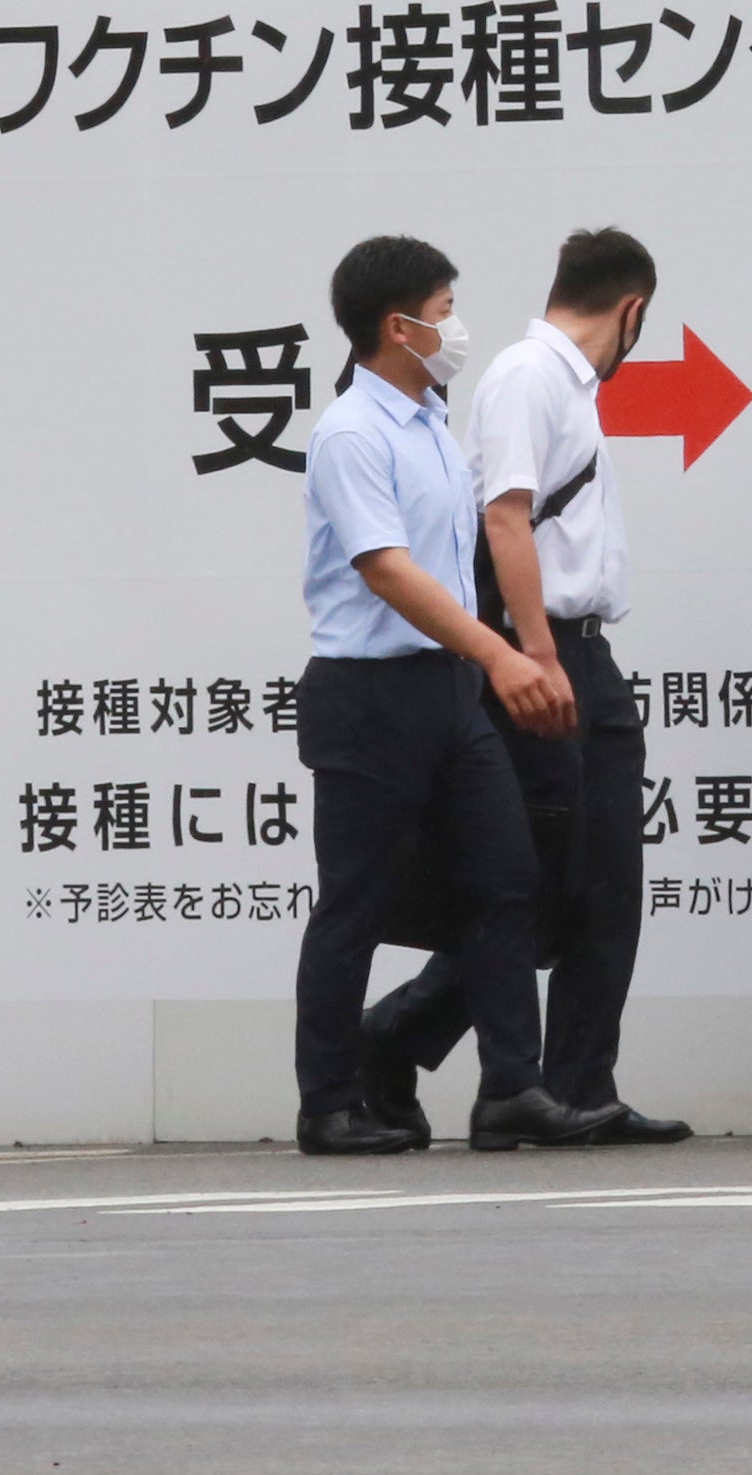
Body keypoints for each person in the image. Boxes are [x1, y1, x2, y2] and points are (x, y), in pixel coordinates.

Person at [357, 230, 685, 1145]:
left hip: (584, 655)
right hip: (543, 658)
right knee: (538, 887)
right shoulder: (527, 376)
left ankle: (581, 1086)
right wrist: (537, 655)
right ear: (633, 309)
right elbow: (504, 518)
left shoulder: (561, 386)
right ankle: (396, 1035)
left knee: (604, 886)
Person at [286, 237, 611, 1156]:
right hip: (368, 696)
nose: (452, 325)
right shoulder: (351, 432)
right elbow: (386, 570)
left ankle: (513, 1086)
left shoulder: (429, 418)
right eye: (442, 306)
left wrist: (490, 659)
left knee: (509, 880)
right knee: (355, 902)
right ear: (398, 326)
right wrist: (503, 657)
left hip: (450, 692)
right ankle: (330, 1102)